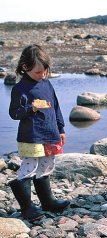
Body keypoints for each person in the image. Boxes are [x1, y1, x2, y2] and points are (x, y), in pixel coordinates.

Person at [8, 44, 70, 221]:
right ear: (25, 67)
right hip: (31, 136)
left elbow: (56, 107)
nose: (42, 75)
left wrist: (61, 129)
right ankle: (27, 208)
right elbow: (14, 114)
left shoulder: (47, 84)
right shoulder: (19, 89)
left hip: (50, 133)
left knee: (47, 164)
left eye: (45, 71)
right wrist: (31, 108)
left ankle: (47, 202)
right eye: (37, 72)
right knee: (30, 166)